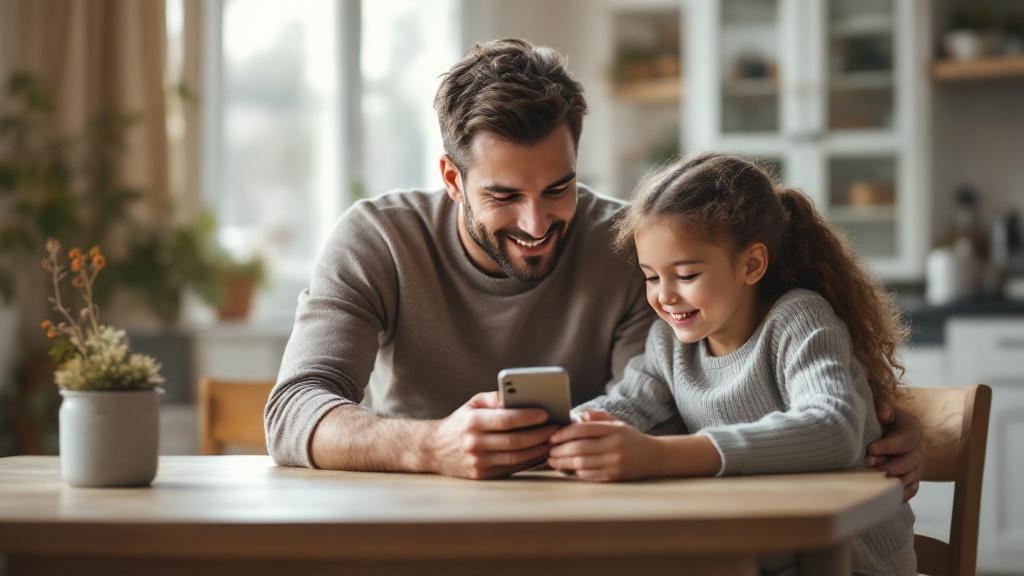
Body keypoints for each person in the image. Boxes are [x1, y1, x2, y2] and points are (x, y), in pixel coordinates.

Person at [264, 39, 922, 498]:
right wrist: (431, 446)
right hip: (418, 533)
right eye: (503, 195)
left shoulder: (633, 249)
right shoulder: (376, 239)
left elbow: (666, 414)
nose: (536, 223)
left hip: (586, 540)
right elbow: (293, 411)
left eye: (558, 188)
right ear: (451, 179)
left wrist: (871, 423)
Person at [547, 153, 915, 574]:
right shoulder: (668, 343)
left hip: (850, 561)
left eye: (685, 276)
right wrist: (565, 429)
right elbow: (628, 404)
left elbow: (834, 428)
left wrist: (663, 456)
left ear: (751, 264)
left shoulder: (798, 320)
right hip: (753, 558)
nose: (664, 296)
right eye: (651, 277)